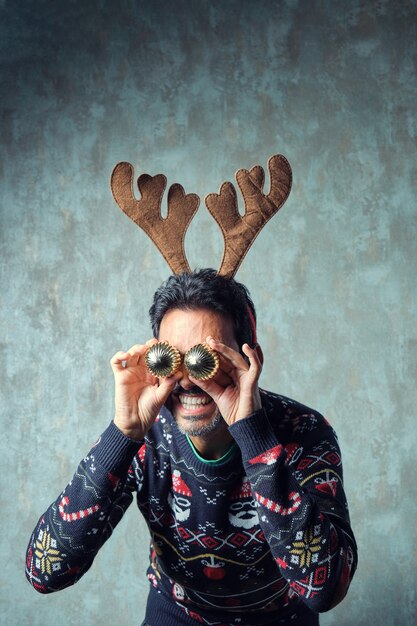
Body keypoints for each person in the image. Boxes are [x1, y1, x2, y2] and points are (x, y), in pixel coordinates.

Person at [25, 268, 357, 626]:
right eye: (170, 360)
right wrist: (122, 434)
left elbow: (325, 590)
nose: (188, 381)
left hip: (281, 617)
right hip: (176, 611)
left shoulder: (304, 432)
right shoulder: (145, 436)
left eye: (206, 359)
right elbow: (46, 572)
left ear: (249, 361)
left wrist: (255, 437)